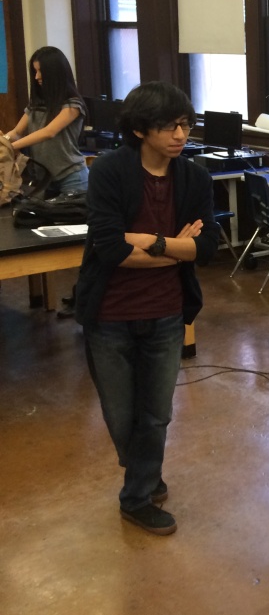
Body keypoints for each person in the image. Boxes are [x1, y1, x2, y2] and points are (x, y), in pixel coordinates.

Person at [75, 82, 218, 536]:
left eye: (185, 125)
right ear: (140, 130)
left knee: (156, 413)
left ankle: (135, 497)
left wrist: (152, 242)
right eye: (169, 126)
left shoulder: (194, 178)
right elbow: (111, 250)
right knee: (121, 415)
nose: (181, 135)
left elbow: (207, 247)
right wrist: (176, 247)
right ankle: (145, 472)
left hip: (166, 312)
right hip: (109, 314)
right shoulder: (109, 172)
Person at [5, 46, 89, 194]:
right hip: (43, 180)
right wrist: (4, 141)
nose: (37, 77)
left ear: (54, 73)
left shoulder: (73, 104)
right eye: (35, 71)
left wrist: (10, 147)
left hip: (72, 177)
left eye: (41, 71)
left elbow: (49, 132)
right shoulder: (36, 105)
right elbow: (17, 132)